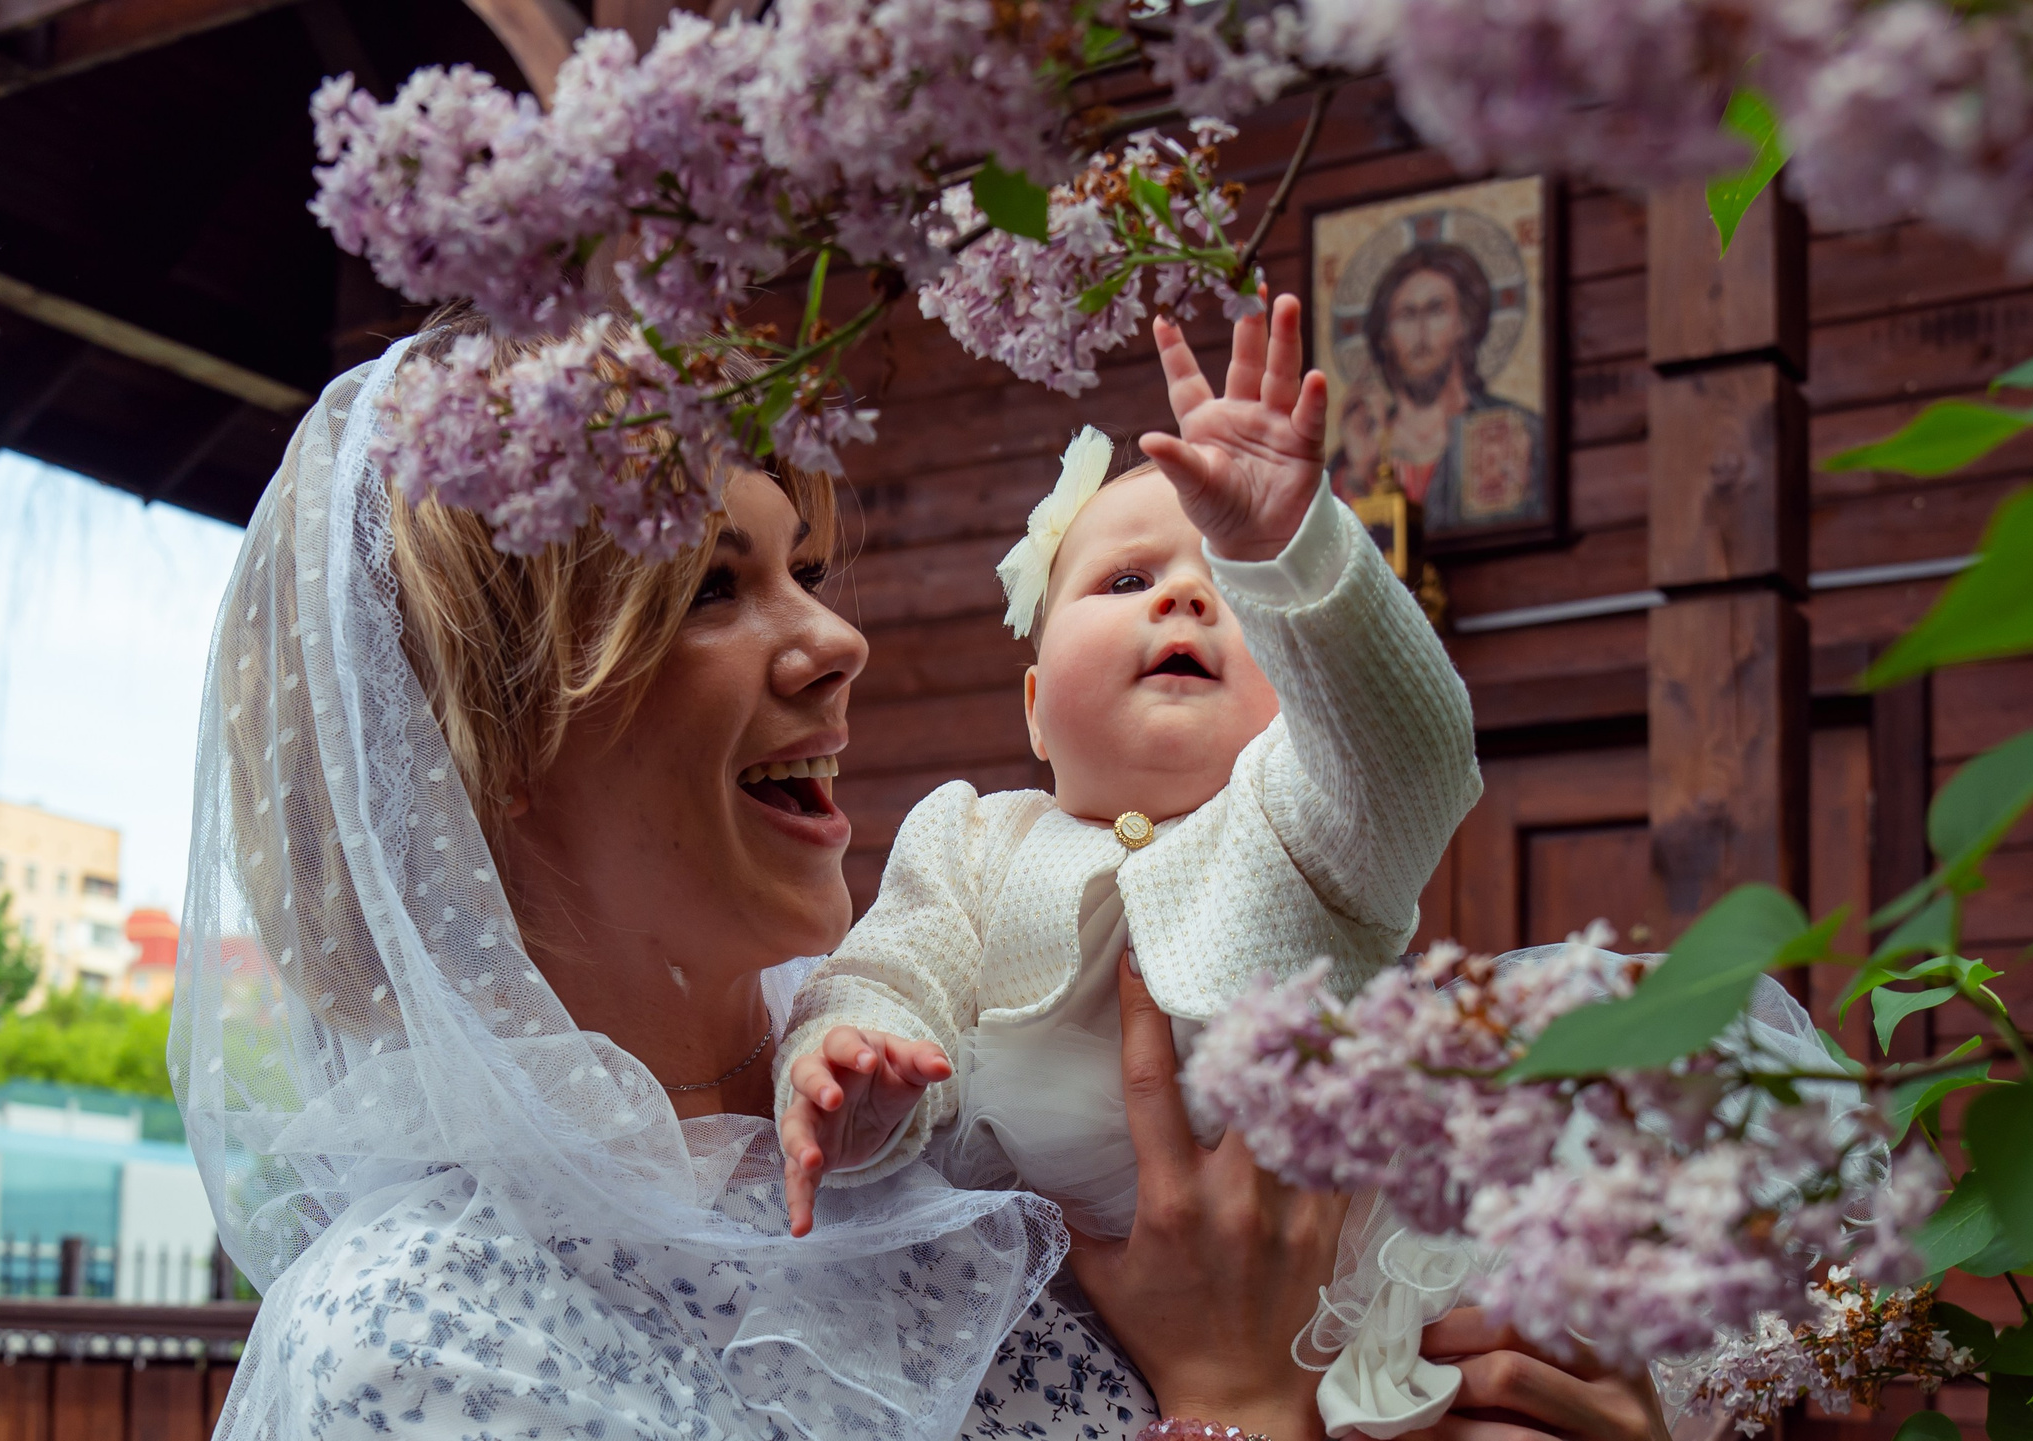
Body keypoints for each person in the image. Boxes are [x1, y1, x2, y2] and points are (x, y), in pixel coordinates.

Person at [169, 308, 1670, 1441]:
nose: (837, 641)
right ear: (479, 743)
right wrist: (1233, 1402)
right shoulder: (418, 1337)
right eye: (711, 589)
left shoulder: (953, 1165)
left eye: (803, 571)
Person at [772, 293, 1486, 1438]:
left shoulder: (1307, 819)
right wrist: (844, 1067)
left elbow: (1416, 752)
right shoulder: (969, 837)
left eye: (1229, 587)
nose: (1186, 592)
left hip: (1340, 1320)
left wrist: (1293, 560)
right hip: (1034, 1316)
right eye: (1120, 580)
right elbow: (891, 973)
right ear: (1038, 710)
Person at [1329, 242, 1544, 532]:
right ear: (1385, 337)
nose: (1421, 329)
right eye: (1406, 315)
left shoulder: (1516, 429)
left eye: (1436, 310)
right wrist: (1358, 474)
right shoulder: (1352, 457)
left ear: (1464, 323)